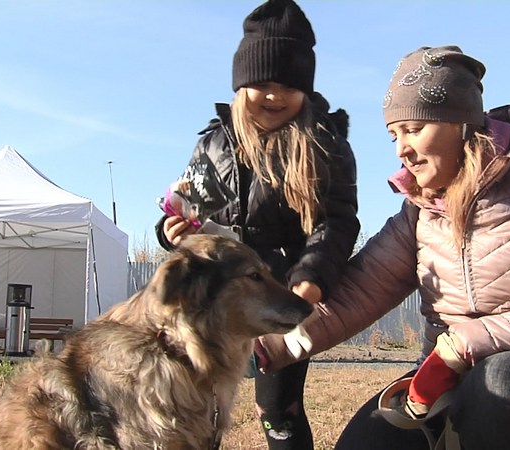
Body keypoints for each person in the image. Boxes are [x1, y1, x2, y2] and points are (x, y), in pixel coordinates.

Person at [256, 45, 510, 449]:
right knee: (365, 442)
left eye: (414, 129)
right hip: (449, 386)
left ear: (461, 124)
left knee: (502, 380)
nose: (401, 148)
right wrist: (260, 341)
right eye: (394, 134)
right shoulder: (419, 214)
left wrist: (465, 343)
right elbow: (352, 298)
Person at [154, 1, 359, 448]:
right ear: (240, 83)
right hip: (213, 302)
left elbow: (336, 223)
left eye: (289, 84)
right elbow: (185, 208)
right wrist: (169, 229)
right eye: (261, 83)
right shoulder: (214, 143)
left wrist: (310, 280)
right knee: (192, 404)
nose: (274, 94)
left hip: (279, 295)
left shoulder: (324, 144)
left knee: (276, 411)